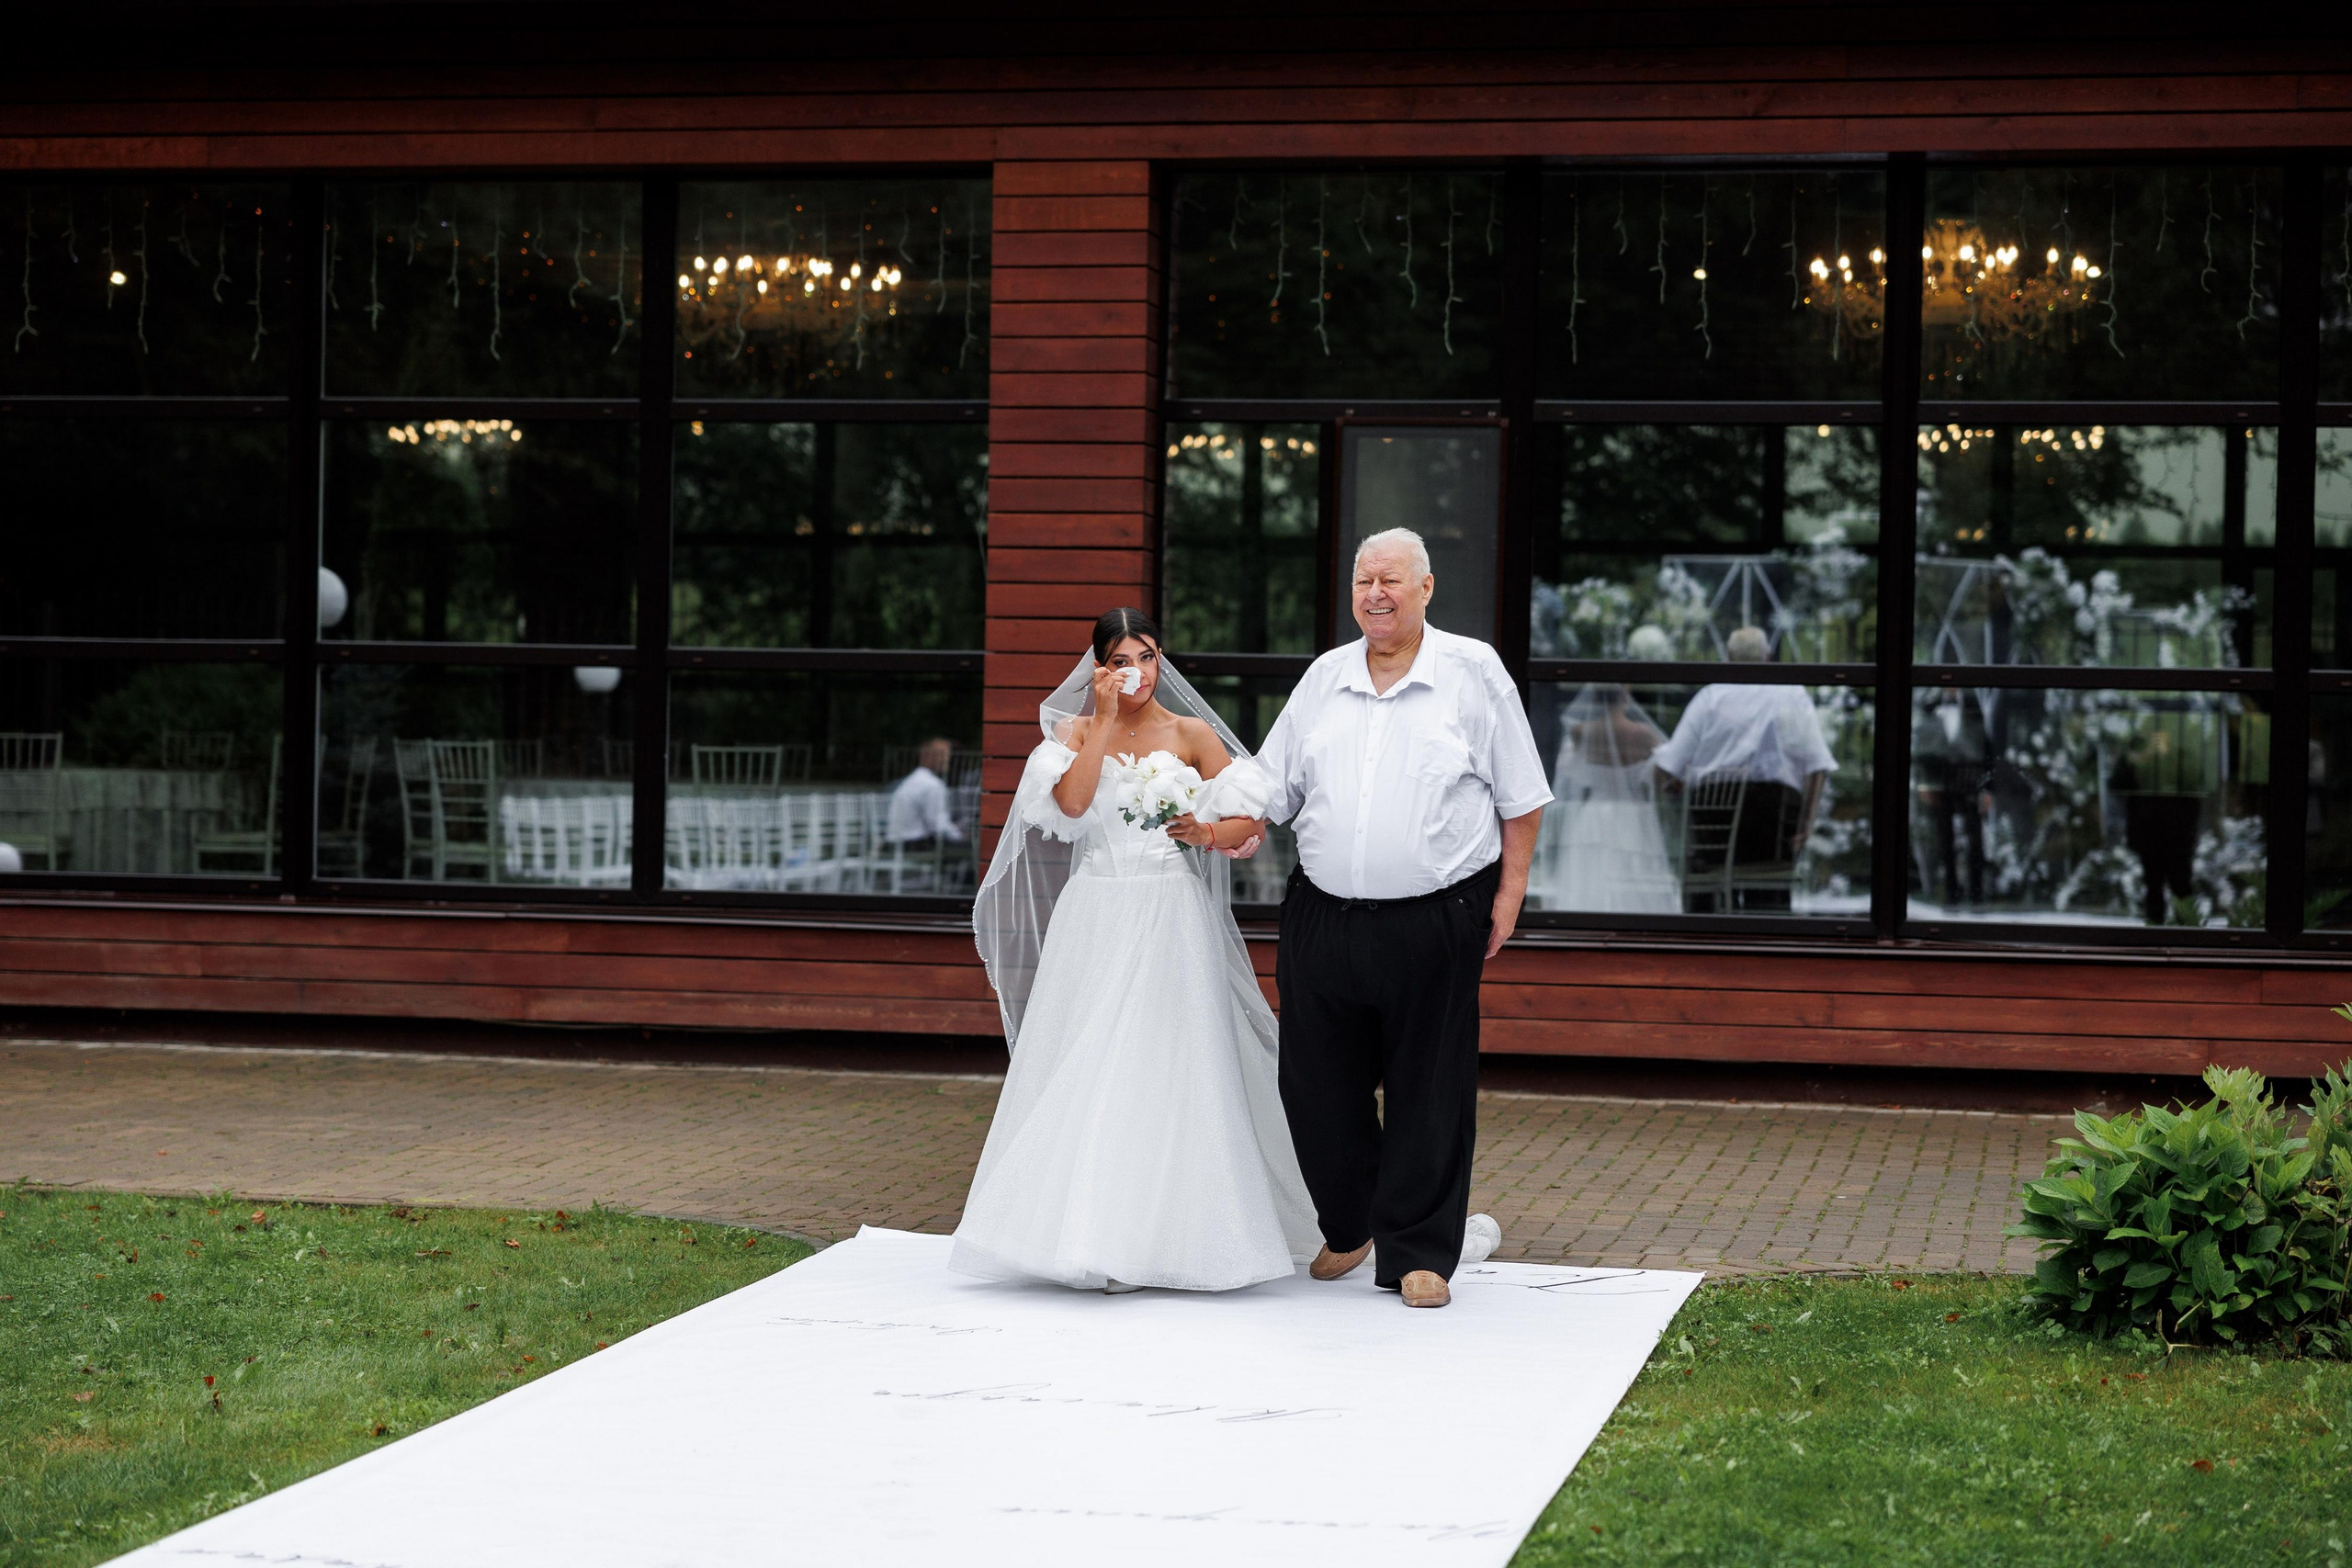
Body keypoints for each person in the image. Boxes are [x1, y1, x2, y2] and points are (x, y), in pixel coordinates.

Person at [1192, 527, 1551, 1309]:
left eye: (1391, 579)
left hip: (1436, 914)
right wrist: (1231, 821)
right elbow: (1272, 787)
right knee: (1313, 1082)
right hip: (1323, 915)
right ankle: (1351, 1222)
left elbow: (1521, 795)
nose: (1375, 593)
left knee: (1431, 1083)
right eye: (1363, 580)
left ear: (1426, 588)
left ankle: (1419, 1251)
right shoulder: (1325, 677)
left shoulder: (1472, 672)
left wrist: (1509, 894)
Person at [956, 608, 1321, 1292]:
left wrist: (1204, 834)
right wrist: (1095, 722)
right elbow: (1069, 805)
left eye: (1148, 657)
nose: (1138, 672)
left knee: (1167, 1061)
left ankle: (1175, 1237)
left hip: (1168, 910)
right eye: (1122, 660)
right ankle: (1091, 1236)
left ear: (1161, 660)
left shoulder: (1191, 733)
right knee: (1092, 1057)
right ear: (1100, 666)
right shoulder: (1073, 733)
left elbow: (1252, 813)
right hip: (1095, 909)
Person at [1650, 626, 1834, 913]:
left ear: (1728, 656)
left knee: (1703, 868)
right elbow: (1817, 765)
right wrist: (1806, 821)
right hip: (1773, 827)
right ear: (1768, 656)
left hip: (1713, 833)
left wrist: (1676, 797)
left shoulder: (1710, 697)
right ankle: (1768, 936)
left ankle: (1704, 933)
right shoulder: (1791, 694)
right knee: (1768, 898)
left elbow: (1667, 766)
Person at [1550, 683, 1678, 913]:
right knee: (1637, 874)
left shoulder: (1580, 732)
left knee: (1591, 875)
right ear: (1625, 698)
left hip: (1594, 816)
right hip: (1634, 817)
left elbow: (1568, 773)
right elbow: (1668, 775)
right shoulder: (1644, 734)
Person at [886, 737, 966, 853]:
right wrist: (959, 835)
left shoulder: (912, 780)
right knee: (971, 850)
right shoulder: (933, 785)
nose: (947, 759)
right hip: (914, 844)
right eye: (943, 755)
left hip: (896, 842)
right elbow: (938, 826)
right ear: (928, 756)